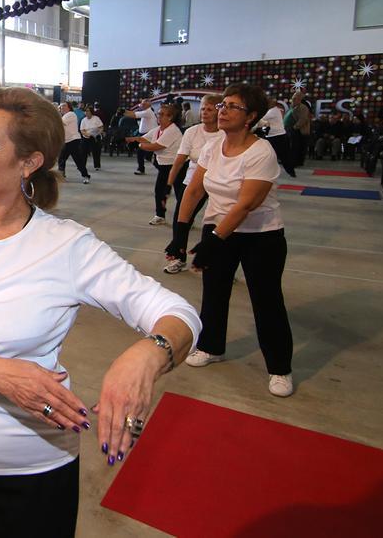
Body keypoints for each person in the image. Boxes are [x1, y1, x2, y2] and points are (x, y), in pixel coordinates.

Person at [0, 87, 200, 536]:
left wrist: (146, 357)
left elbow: (177, 312)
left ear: (29, 162)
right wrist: (2, 375)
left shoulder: (67, 245)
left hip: (31, 468)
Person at [173, 83, 295, 397]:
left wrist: (213, 241)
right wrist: (180, 233)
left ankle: (279, 368)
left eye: (232, 107)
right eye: (222, 104)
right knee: (214, 293)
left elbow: (246, 204)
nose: (222, 110)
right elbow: (194, 190)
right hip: (218, 230)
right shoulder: (213, 147)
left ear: (251, 116)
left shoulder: (261, 151)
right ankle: (212, 346)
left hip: (261, 237)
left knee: (267, 302)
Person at [163, 95, 222, 274]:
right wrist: (168, 185)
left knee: (217, 223)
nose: (204, 112)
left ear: (219, 110)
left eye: (210, 109)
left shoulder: (225, 133)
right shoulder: (192, 132)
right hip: (193, 181)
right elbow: (180, 160)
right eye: (203, 108)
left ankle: (222, 265)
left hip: (219, 183)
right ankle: (179, 258)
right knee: (181, 220)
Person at [126, 105, 183, 226]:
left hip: (177, 165)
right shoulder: (158, 129)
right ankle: (160, 215)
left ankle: (186, 218)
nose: (159, 116)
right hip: (164, 165)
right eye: (158, 114)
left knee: (180, 194)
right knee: (160, 191)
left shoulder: (173, 130)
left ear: (170, 117)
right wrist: (130, 139)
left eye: (162, 114)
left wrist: (140, 145)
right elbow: (144, 138)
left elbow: (156, 146)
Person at [258, 97, 295, 177]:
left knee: (279, 156)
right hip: (277, 136)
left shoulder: (272, 111)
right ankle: (290, 172)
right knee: (280, 156)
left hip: (276, 137)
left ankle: (290, 172)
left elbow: (260, 119)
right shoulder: (275, 110)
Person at [57, 102, 91, 183]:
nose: (62, 108)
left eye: (64, 106)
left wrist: (54, 114)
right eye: (61, 106)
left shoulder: (70, 114)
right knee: (62, 159)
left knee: (76, 160)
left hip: (73, 141)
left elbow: (60, 123)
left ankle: (86, 176)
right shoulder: (64, 116)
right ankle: (62, 176)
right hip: (67, 141)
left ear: (69, 107)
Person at [124, 98, 156, 174]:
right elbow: (133, 113)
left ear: (148, 105)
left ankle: (141, 169)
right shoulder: (146, 112)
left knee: (141, 152)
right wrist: (124, 112)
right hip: (145, 134)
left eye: (143, 104)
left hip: (148, 134)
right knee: (142, 152)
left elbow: (134, 115)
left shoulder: (148, 112)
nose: (142, 105)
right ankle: (142, 167)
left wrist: (123, 112)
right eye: (142, 103)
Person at [285, 91, 311, 168]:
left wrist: (295, 127)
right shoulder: (292, 106)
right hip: (290, 130)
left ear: (299, 99)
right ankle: (291, 160)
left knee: (297, 147)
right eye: (293, 98)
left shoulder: (303, 107)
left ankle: (296, 162)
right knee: (291, 146)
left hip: (298, 130)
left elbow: (303, 119)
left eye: (295, 98)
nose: (293, 100)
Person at [79, 105, 104, 171]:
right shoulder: (83, 120)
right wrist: (86, 134)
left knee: (96, 152)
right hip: (86, 137)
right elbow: (82, 130)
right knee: (83, 152)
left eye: (87, 111)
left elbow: (101, 127)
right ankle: (82, 166)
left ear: (91, 112)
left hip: (95, 137)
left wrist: (98, 132)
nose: (86, 112)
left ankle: (97, 165)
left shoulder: (96, 118)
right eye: (85, 111)